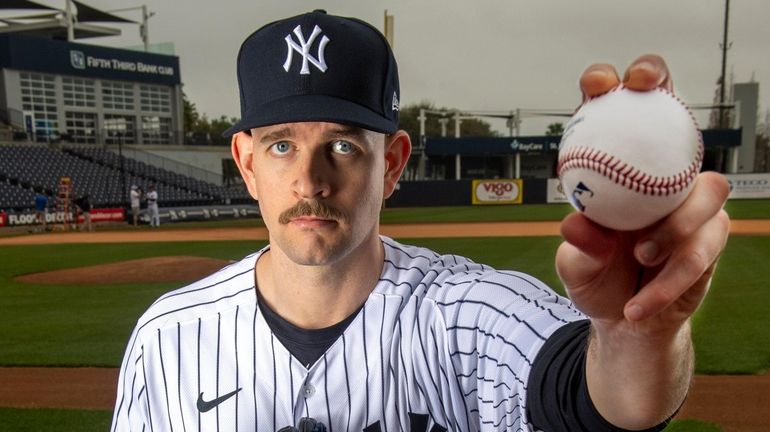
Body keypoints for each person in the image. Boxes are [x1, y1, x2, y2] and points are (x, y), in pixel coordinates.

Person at [111, 11, 730, 432]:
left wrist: (634, 337)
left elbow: (588, 403)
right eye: (281, 146)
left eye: (345, 145)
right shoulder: (168, 338)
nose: (310, 179)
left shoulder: (474, 317)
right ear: (246, 163)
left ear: (393, 164)